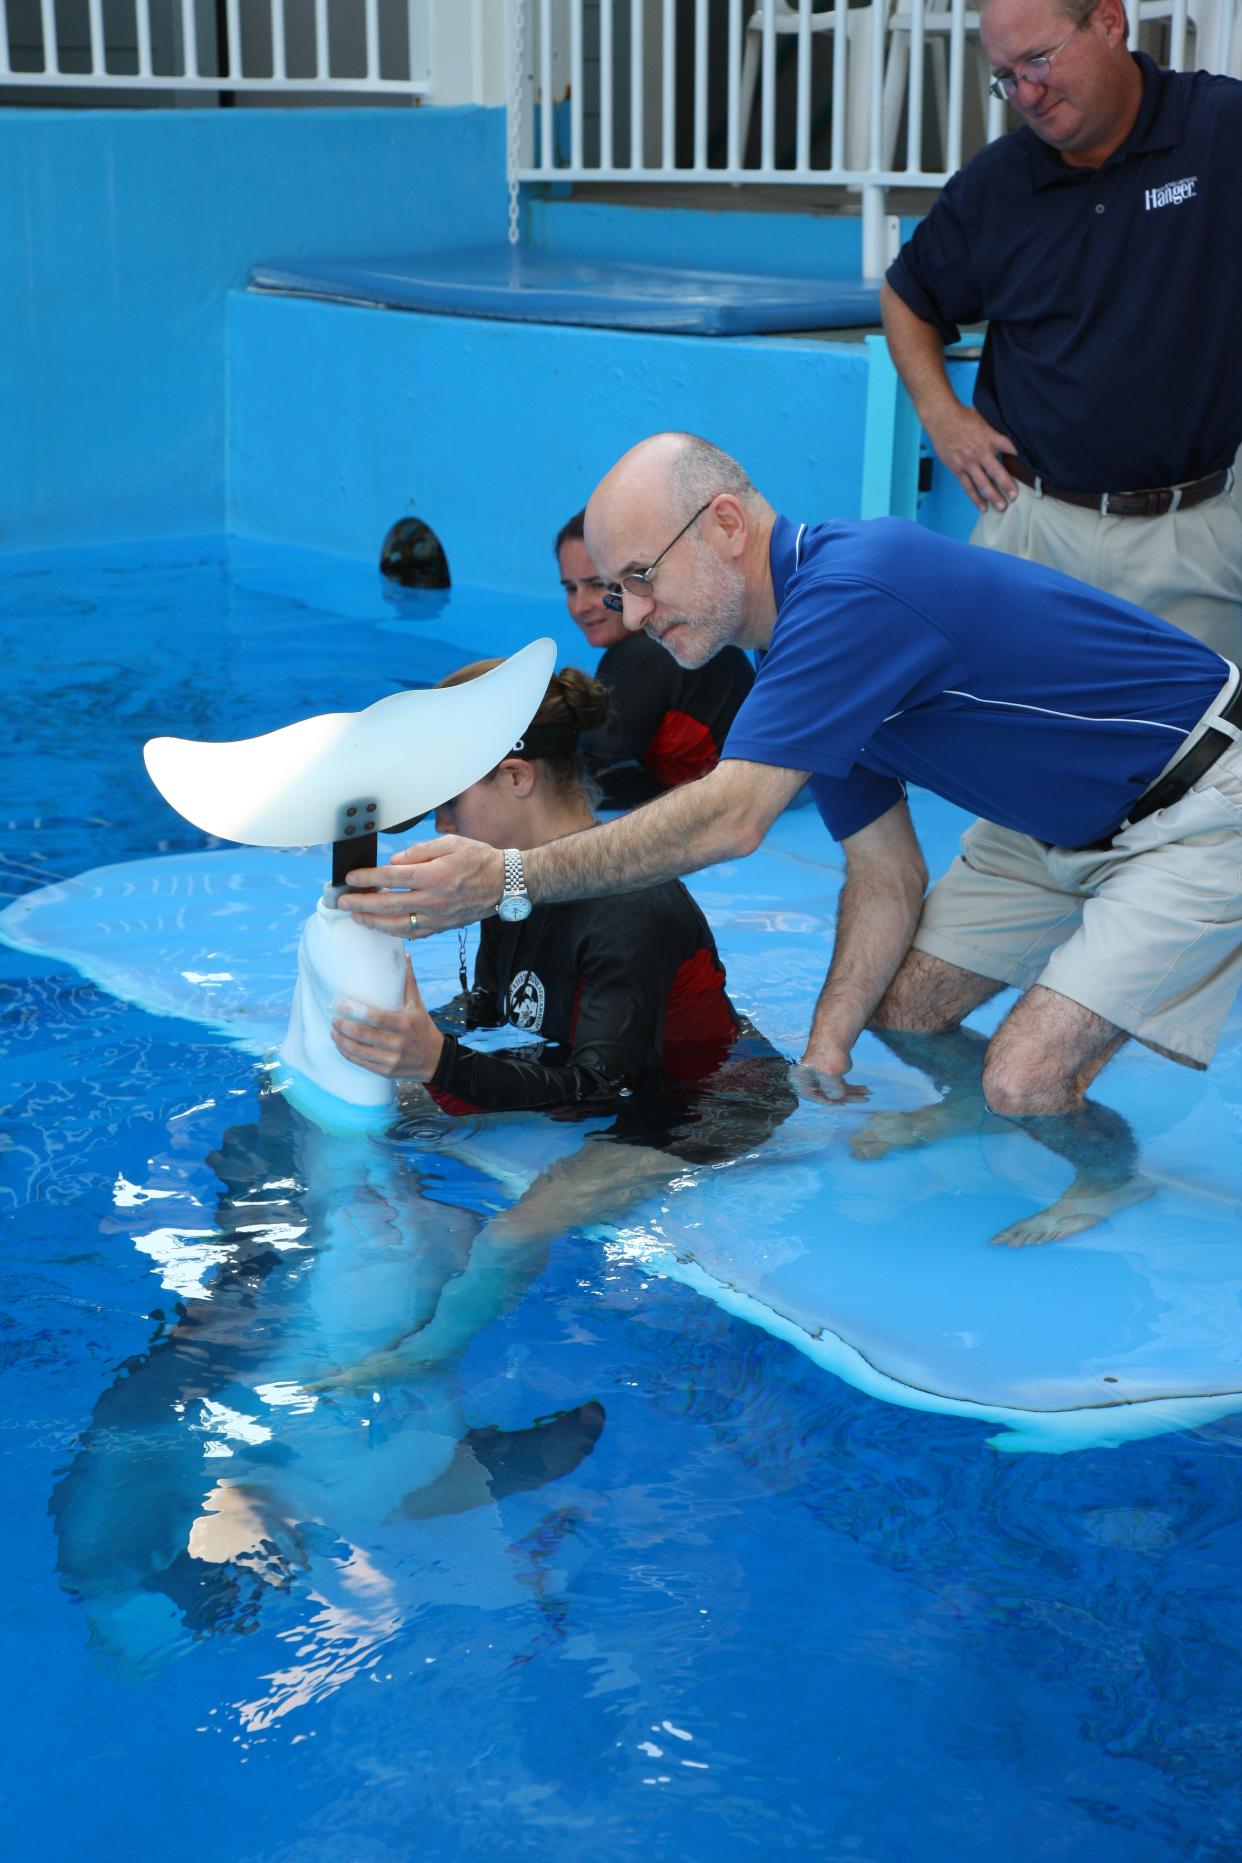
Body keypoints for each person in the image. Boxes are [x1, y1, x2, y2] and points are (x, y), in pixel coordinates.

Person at [341, 432, 1242, 1246]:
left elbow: (733, 818)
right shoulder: (796, 657)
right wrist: (830, 1038)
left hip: (1198, 800)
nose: (636, 614)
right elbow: (886, 867)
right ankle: (971, 1106)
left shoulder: (858, 590)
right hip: (1050, 822)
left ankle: (1107, 1172)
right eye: (619, 591)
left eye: (643, 578)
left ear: (726, 523)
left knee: (1026, 1078)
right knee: (905, 1010)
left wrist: (505, 878)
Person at [330, 655, 795, 1353]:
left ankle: (410, 1366)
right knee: (358, 1109)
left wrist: (437, 1058)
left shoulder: (632, 904)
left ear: (517, 777)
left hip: (697, 1098)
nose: (439, 820)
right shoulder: (504, 875)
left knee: (517, 1229)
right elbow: (498, 1010)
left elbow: (606, 1083)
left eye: (448, 799)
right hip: (590, 1055)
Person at [880, 0, 1242, 659]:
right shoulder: (993, 187)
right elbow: (907, 294)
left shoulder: (1218, 130)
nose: (1026, 92)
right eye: (1006, 76)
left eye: (1039, 60)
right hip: (1030, 535)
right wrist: (941, 414)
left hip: (1192, 544)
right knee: (1002, 751)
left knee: (1198, 757)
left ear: (1109, 20)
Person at [556, 508, 755, 807]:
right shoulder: (683, 629)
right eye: (571, 589)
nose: (580, 606)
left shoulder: (642, 657)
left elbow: (580, 782)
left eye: (597, 585)